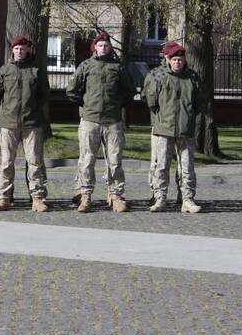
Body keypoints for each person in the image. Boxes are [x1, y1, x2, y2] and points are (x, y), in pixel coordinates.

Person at [66, 31, 136, 213]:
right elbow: (72, 90)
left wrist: (118, 105)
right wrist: (86, 105)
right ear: (94, 47)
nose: (103, 48)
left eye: (106, 45)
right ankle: (85, 195)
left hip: (113, 121)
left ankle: (116, 196)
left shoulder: (118, 67)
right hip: (90, 120)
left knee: (115, 161)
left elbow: (129, 91)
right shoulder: (86, 66)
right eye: (100, 45)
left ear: (110, 47)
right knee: (87, 160)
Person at [0, 36, 51, 212]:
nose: (19, 51)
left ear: (27, 50)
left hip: (32, 124)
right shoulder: (4, 70)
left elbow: (44, 94)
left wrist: (33, 109)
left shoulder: (37, 71)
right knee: (6, 162)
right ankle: (4, 197)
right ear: (12, 50)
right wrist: (6, 106)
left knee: (35, 162)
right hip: (9, 123)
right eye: (16, 49)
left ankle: (37, 198)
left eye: (22, 49)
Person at [143, 41, 203, 213]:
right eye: (175, 59)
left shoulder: (192, 77)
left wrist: (189, 116)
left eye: (181, 59)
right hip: (163, 128)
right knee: (161, 165)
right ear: (168, 59)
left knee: (187, 167)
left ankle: (187, 199)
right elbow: (150, 101)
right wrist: (161, 118)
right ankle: (160, 198)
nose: (178, 62)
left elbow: (199, 102)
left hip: (186, 129)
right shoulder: (159, 75)